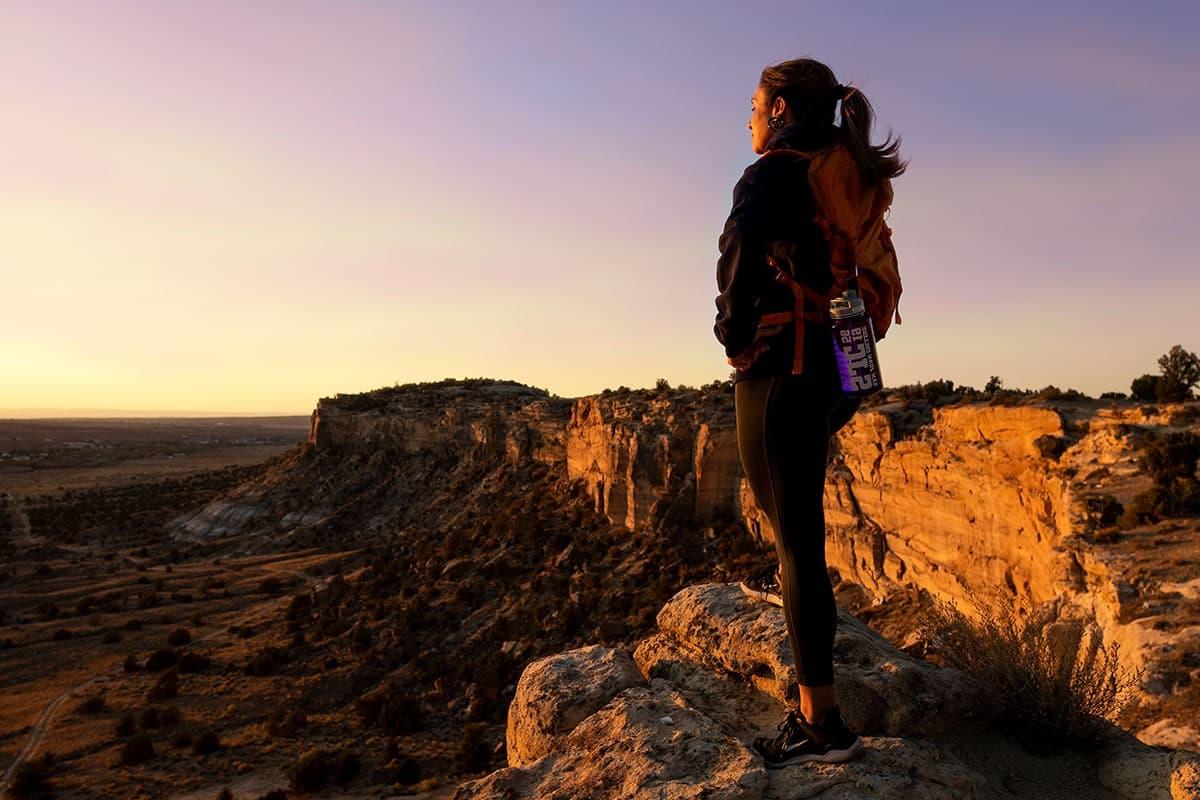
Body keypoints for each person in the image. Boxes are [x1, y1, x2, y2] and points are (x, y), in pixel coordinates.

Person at [712, 56, 905, 768]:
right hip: (845, 363)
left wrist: (733, 339)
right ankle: (820, 709)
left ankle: (821, 725)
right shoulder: (849, 170)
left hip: (783, 366)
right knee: (801, 529)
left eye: (756, 104)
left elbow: (737, 253)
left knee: (796, 541)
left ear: (785, 107)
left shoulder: (774, 173)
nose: (751, 117)